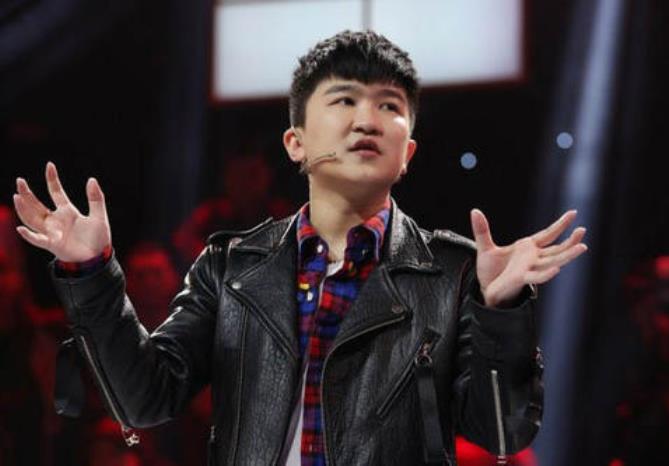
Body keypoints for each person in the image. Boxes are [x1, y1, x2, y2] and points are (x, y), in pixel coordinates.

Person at [12, 30, 587, 465]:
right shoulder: (231, 268)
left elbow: (502, 434)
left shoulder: (454, 272)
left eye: (389, 106)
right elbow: (144, 399)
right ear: (296, 143)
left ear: (407, 153)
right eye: (344, 101)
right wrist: (91, 272)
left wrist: (501, 312)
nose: (368, 119)